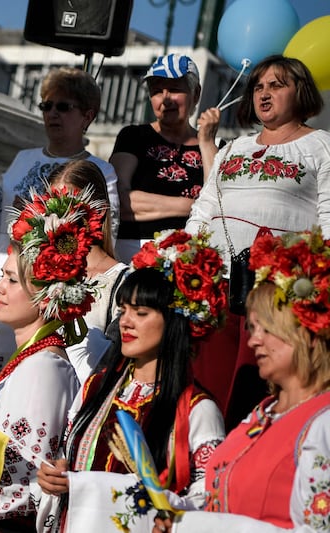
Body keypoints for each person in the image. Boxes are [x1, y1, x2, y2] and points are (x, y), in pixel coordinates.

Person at [0, 185, 102, 530]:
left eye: (11, 279)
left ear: (44, 295)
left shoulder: (44, 368)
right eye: (2, 277)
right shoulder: (31, 359)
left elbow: (24, 481)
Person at [37, 229, 228, 531]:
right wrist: (58, 474)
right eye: (124, 310)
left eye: (140, 312)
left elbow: (209, 502)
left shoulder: (196, 410)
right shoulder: (97, 387)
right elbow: (70, 455)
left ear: (175, 320)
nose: (125, 321)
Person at [185, 54, 330, 428]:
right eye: (259, 87)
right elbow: (204, 209)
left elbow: (329, 220)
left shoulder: (320, 146)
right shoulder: (233, 148)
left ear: (301, 91)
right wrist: (183, 256)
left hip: (277, 295)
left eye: (277, 85)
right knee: (206, 391)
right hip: (214, 289)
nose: (264, 94)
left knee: (255, 393)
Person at [156, 228, 330, 532]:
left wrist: (193, 526)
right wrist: (177, 513)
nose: (253, 341)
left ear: (307, 331)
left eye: (267, 329)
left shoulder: (323, 422)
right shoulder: (262, 413)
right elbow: (222, 499)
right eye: (252, 328)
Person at [0, 67, 120, 394]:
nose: (52, 114)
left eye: (63, 106)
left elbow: (101, 235)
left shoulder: (101, 171)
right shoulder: (22, 159)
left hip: (51, 290)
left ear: (87, 114)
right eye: (46, 106)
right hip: (6, 279)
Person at [112, 53, 218, 264]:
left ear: (195, 94)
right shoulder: (133, 136)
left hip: (190, 257)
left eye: (175, 89)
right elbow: (119, 201)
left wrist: (206, 142)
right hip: (133, 253)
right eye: (157, 91)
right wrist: (194, 205)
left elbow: (216, 207)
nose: (165, 98)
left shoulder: (215, 146)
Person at [49, 159, 128, 383]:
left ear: (98, 211)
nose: (58, 219)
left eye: (69, 207)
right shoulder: (43, 270)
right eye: (52, 207)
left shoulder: (121, 281)